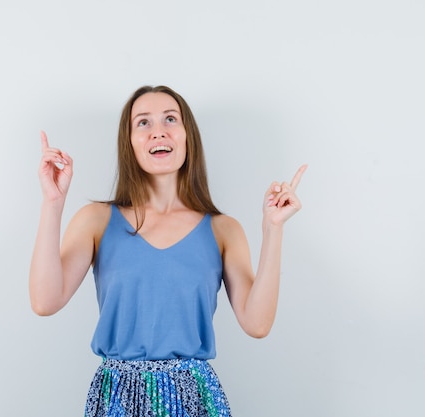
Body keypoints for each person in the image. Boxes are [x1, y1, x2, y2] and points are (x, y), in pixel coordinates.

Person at [29, 85, 307, 417]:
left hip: (195, 398)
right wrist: (53, 203)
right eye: (143, 123)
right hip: (117, 397)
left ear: (188, 136)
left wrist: (273, 228)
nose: (158, 131)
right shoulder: (95, 221)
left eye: (170, 119)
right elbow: (45, 302)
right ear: (129, 142)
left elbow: (257, 324)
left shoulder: (223, 229)